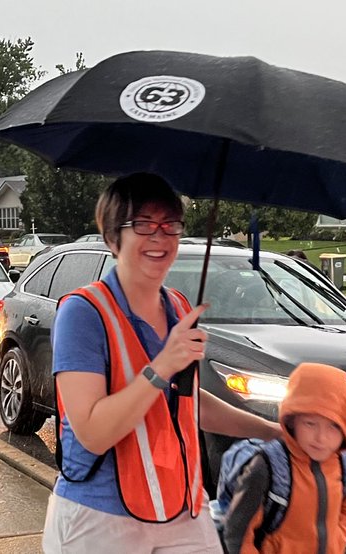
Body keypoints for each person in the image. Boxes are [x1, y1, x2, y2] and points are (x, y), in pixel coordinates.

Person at [44, 172, 280, 553]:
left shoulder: (179, 308)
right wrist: (161, 366)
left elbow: (189, 405)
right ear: (111, 237)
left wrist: (273, 431)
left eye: (170, 225)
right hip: (101, 518)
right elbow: (92, 432)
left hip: (183, 508)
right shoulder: (83, 313)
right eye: (143, 225)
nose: (160, 237)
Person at [218, 363, 346, 554]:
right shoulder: (267, 468)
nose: (321, 437)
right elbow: (237, 534)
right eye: (310, 424)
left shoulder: (344, 461)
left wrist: (338, 541)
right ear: (292, 420)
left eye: (333, 426)